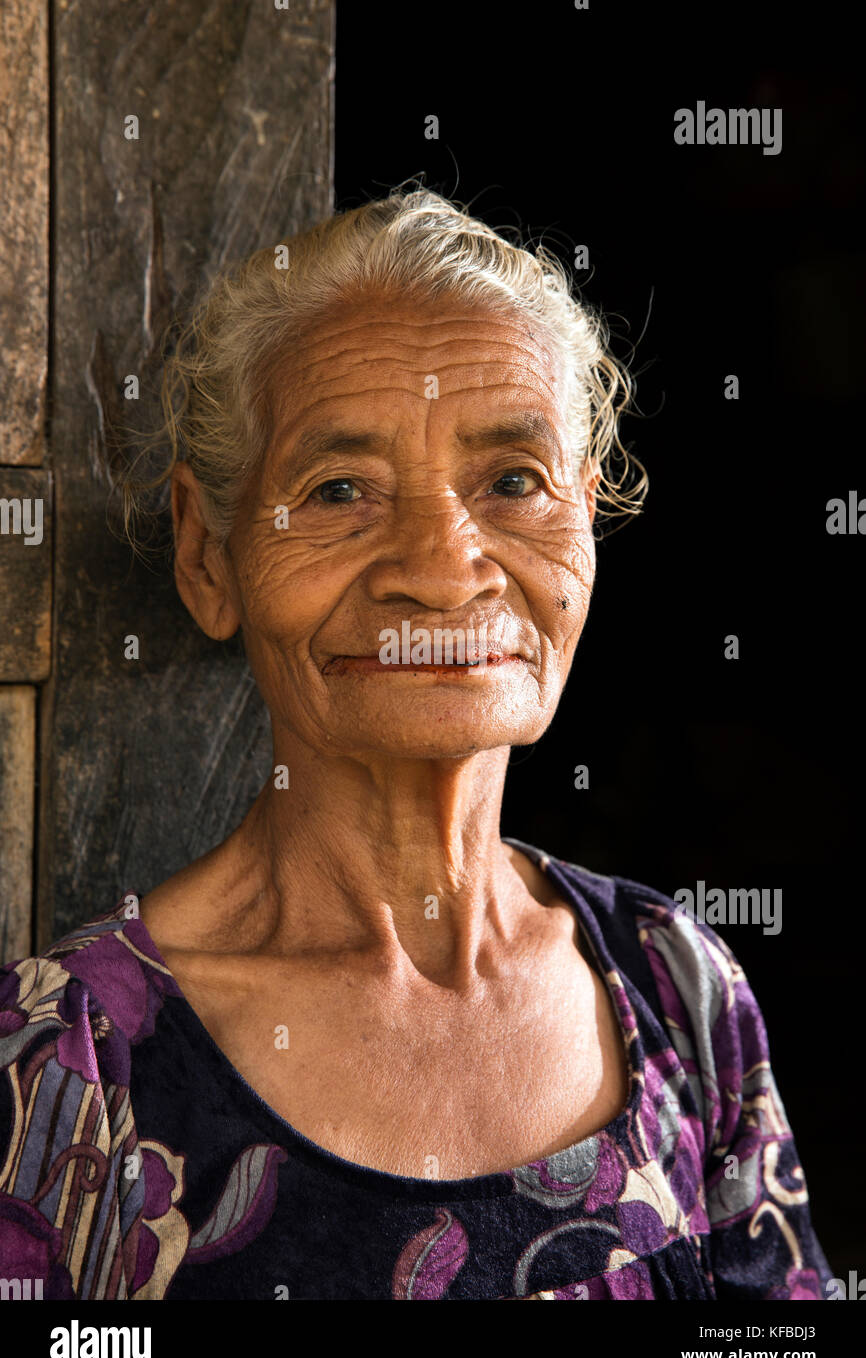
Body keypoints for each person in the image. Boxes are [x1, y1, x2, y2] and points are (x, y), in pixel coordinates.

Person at [0, 187, 832, 1300]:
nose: (443, 569)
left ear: (583, 516)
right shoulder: (68, 1067)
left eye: (511, 482)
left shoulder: (673, 983)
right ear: (207, 556)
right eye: (340, 489)